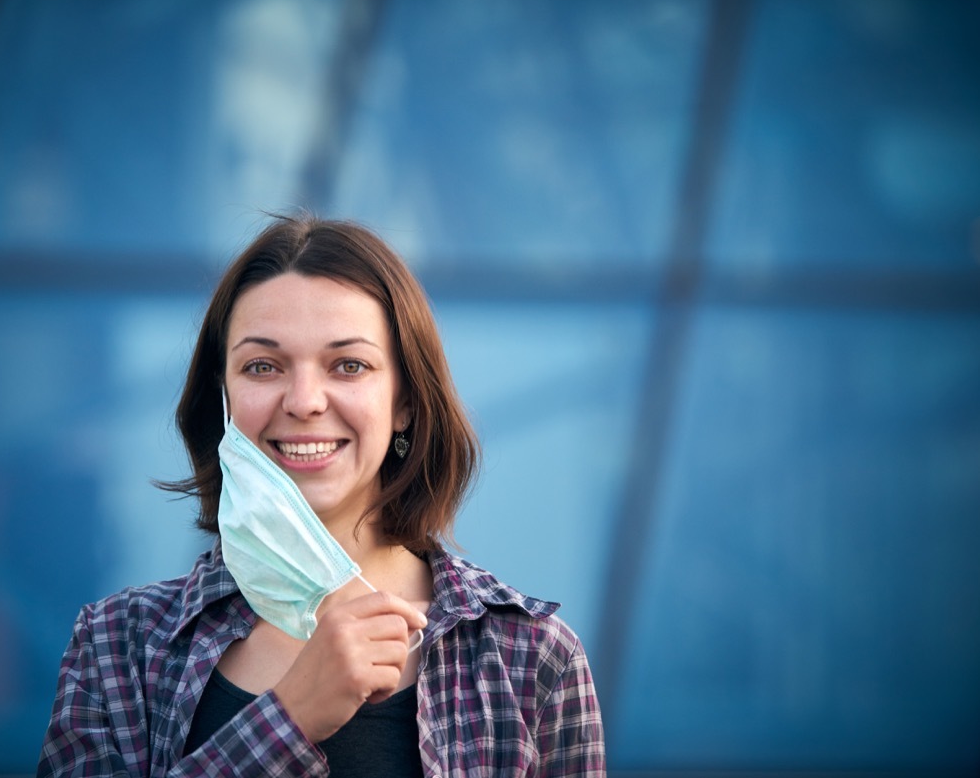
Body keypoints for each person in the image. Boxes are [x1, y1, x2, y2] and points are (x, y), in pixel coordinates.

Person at [37, 214, 606, 776]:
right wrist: (291, 718)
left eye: (349, 365)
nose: (305, 400)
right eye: (262, 366)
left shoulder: (531, 658)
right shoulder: (118, 646)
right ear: (226, 398)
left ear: (404, 401)